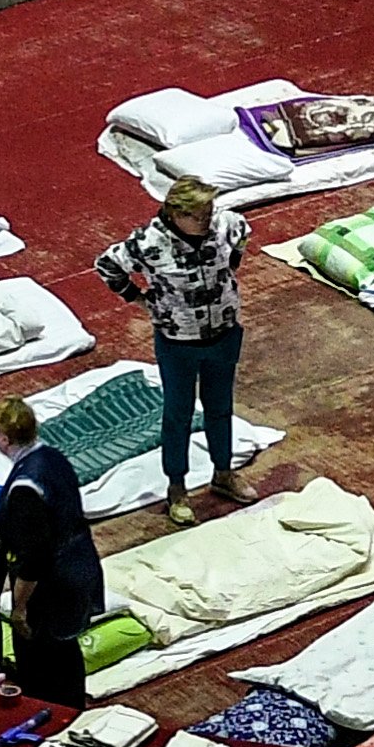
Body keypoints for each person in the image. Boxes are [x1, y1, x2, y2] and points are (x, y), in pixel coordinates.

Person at [97, 174, 253, 513]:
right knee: (178, 414)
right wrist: (139, 299)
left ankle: (223, 473)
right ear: (175, 213)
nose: (205, 221)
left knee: (220, 408)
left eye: (208, 212)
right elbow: (107, 265)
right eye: (196, 216)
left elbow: (242, 232)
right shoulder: (148, 242)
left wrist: (230, 270)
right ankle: (177, 487)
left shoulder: (224, 223)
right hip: (178, 342)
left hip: (223, 334)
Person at [0, 388, 110, 703]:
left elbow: (34, 557)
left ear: (4, 439)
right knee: (66, 647)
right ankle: (72, 706)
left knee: (40, 656)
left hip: (52, 584)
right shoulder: (53, 457)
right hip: (81, 563)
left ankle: (48, 716)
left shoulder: (25, 488)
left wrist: (19, 607)